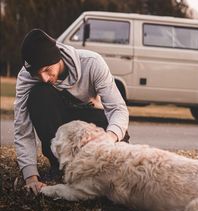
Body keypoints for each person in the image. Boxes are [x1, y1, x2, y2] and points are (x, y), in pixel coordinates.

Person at [14, 29, 129, 195]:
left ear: (57, 58)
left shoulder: (92, 62)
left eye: (47, 69)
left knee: (121, 144)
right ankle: (61, 165)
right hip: (59, 121)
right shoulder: (26, 77)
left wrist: (109, 138)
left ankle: (104, 163)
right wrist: (30, 176)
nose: (44, 78)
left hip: (89, 115)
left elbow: (117, 107)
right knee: (38, 94)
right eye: (37, 74)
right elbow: (22, 127)